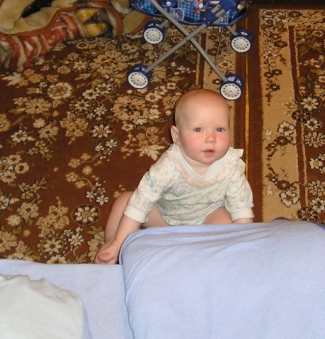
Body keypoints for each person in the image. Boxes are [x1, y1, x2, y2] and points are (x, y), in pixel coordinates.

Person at [95, 89, 254, 264]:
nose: (211, 138)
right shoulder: (167, 166)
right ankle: (113, 244)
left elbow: (241, 206)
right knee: (126, 201)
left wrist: (244, 240)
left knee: (227, 225)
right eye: (198, 129)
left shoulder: (231, 165)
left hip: (207, 218)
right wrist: (119, 241)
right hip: (165, 218)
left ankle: (199, 255)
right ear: (177, 136)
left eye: (220, 129)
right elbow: (142, 201)